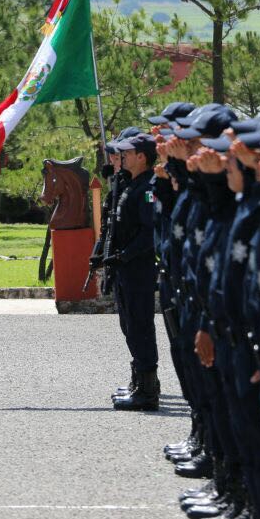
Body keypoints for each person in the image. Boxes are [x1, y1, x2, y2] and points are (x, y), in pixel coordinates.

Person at [106, 132, 163, 411]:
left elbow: (149, 233)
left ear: (142, 157)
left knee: (140, 326)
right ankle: (139, 382)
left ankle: (147, 391)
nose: (121, 156)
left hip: (137, 269)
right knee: (130, 326)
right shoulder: (131, 184)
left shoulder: (148, 188)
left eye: (127, 153)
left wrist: (124, 256)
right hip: (124, 268)